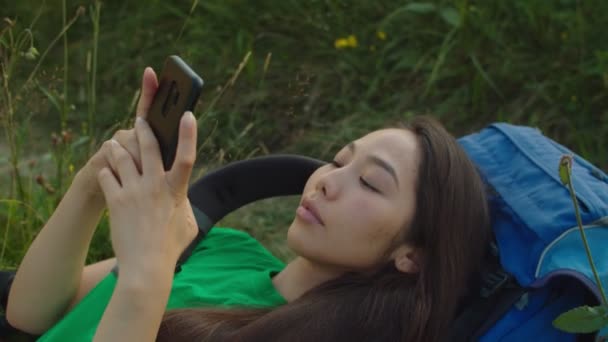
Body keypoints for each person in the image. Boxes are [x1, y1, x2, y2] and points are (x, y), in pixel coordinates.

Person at [5, 68, 491, 342]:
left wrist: (146, 275)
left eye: (369, 182)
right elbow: (30, 317)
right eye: (338, 160)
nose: (326, 182)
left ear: (413, 254)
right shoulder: (225, 247)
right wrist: (91, 188)